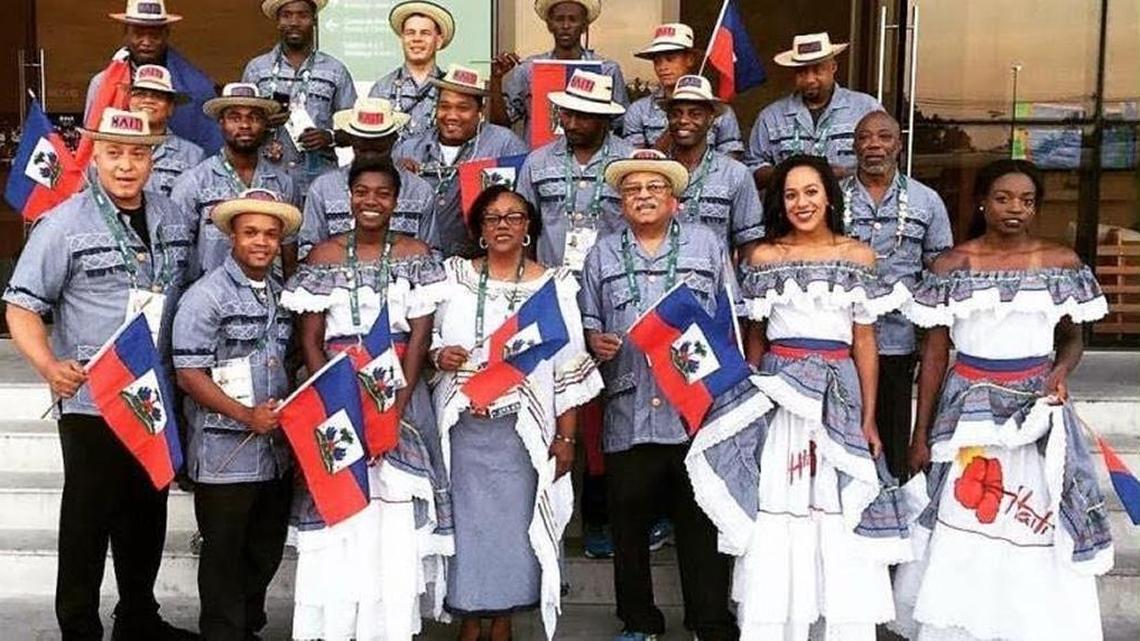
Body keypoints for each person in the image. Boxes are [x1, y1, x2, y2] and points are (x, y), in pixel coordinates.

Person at [892, 159, 1114, 641]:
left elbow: (1073, 339)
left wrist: (1058, 372)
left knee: (1032, 521)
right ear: (982, 202)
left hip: (1036, 411)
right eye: (1003, 198)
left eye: (1027, 201)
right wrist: (920, 433)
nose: (1015, 208)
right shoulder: (950, 266)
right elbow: (934, 354)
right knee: (965, 518)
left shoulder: (1061, 263)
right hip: (966, 414)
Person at [2, 108, 198, 641]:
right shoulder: (64, 224)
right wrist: (47, 365)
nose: (127, 165)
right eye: (114, 153)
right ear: (95, 155)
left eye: (137, 153)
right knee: (88, 519)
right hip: (93, 397)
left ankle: (138, 617)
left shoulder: (172, 219)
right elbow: (20, 306)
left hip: (152, 396)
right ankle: (79, 627)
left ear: (153, 157)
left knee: (146, 510)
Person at [709, 154, 907, 639]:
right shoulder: (761, 256)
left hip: (838, 393)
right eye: (791, 194)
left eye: (811, 192)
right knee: (781, 499)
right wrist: (749, 400)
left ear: (829, 197)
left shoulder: (858, 255)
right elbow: (755, 335)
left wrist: (868, 419)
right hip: (779, 392)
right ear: (779, 202)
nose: (801, 202)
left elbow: (864, 341)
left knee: (836, 506)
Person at [281, 157, 452, 641]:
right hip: (337, 391)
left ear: (396, 201)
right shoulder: (323, 257)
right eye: (362, 192)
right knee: (344, 503)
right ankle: (338, 626)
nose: (371, 201)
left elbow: (419, 336)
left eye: (382, 193)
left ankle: (389, 624)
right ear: (348, 197)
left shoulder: (416, 253)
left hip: (399, 389)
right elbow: (311, 339)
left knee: (391, 506)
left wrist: (396, 399)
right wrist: (335, 401)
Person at [578, 150, 739, 641]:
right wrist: (593, 340)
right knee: (628, 525)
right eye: (632, 190)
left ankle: (708, 621)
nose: (643, 196)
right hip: (629, 407)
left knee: (700, 522)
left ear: (673, 199)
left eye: (653, 188)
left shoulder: (706, 244)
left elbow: (729, 316)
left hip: (693, 410)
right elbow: (588, 318)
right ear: (621, 202)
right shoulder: (601, 253)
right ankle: (639, 620)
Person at [431, 186, 602, 641]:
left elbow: (568, 366)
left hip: (524, 434)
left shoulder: (555, 285)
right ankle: (469, 618)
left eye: (514, 216)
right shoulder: (453, 278)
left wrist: (566, 438)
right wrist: (438, 355)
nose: (503, 224)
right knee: (468, 529)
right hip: (464, 429)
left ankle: (503, 620)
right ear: (479, 230)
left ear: (529, 227)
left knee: (513, 529)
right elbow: (428, 340)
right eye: (492, 217)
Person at [172, 189, 300, 641]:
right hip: (225, 455)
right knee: (224, 558)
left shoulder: (285, 297)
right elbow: (189, 372)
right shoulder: (204, 297)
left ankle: (247, 629)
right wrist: (247, 416)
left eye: (270, 234)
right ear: (232, 237)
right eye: (250, 233)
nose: (261, 242)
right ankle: (223, 633)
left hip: (274, 454)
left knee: (263, 552)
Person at [841, 111, 952, 481]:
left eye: (884, 137)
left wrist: (929, 340)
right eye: (865, 137)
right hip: (840, 340)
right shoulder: (831, 197)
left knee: (890, 436)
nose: (874, 145)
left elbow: (940, 272)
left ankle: (888, 518)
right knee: (844, 434)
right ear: (854, 146)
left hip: (897, 343)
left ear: (899, 144)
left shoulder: (927, 200)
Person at [393, 64, 528, 258]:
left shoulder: (504, 145)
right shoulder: (409, 149)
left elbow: (523, 206)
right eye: (444, 106)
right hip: (420, 263)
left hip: (478, 262)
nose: (452, 116)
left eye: (463, 108)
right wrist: (400, 176)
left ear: (480, 109)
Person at [171, 83, 300, 278]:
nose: (245, 125)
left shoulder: (284, 183)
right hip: (213, 298)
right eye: (234, 118)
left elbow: (289, 250)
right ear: (221, 122)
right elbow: (177, 254)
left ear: (265, 124)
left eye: (254, 118)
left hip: (269, 298)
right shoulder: (194, 182)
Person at [515, 69, 633, 272]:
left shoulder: (630, 162)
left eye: (583, 117)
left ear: (605, 119)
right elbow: (522, 227)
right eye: (567, 114)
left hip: (613, 279)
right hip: (551, 278)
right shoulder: (537, 162)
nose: (571, 124)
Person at [298, 97, 437, 258]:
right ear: (351, 139)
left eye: (378, 143)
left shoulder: (420, 191)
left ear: (393, 139)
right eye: (363, 142)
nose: (370, 149)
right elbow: (307, 250)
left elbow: (432, 253)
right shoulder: (323, 188)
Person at [243, 0, 357, 195]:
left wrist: (329, 137)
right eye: (287, 15)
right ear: (278, 21)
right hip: (268, 181)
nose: (294, 22)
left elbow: (356, 132)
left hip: (319, 183)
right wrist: (263, 123)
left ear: (313, 20)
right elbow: (240, 126)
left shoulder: (335, 70)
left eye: (302, 15)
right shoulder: (256, 69)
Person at [745, 32, 881, 191]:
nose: (810, 79)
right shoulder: (771, 118)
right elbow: (752, 170)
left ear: (833, 67)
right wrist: (791, 173)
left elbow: (882, 163)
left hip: (851, 210)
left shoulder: (865, 109)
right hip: (794, 211)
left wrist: (844, 173)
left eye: (818, 70)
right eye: (802, 72)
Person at [87, 0, 223, 154]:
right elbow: (89, 147)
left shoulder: (197, 88)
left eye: (154, 35)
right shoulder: (101, 84)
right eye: (138, 33)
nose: (146, 42)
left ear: (167, 33)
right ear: (126, 32)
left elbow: (210, 152)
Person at [489, 0, 627, 142]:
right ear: (549, 25)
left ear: (585, 26)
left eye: (573, 20)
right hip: (538, 160)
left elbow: (621, 125)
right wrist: (496, 80)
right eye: (559, 19)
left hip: (591, 159)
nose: (565, 26)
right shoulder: (528, 69)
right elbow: (501, 125)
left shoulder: (607, 69)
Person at [661, 75, 763, 255]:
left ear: (710, 119)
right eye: (676, 113)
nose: (683, 120)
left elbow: (749, 243)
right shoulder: (654, 171)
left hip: (716, 280)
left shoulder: (736, 174)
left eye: (695, 114)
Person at [624, 24, 744, 157]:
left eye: (670, 59)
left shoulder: (718, 110)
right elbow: (634, 159)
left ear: (690, 59)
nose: (663, 67)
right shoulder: (639, 110)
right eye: (657, 62)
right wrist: (677, 126)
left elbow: (731, 157)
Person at [369, 1, 456, 140]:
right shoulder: (382, 88)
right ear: (402, 39)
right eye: (410, 33)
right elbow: (370, 140)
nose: (417, 39)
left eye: (425, 33)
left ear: (438, 41)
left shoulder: (452, 87)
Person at [129, 64, 204, 197]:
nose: (147, 100)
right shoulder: (110, 147)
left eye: (157, 96)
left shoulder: (193, 155)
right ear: (130, 102)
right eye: (140, 94)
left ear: (171, 108)